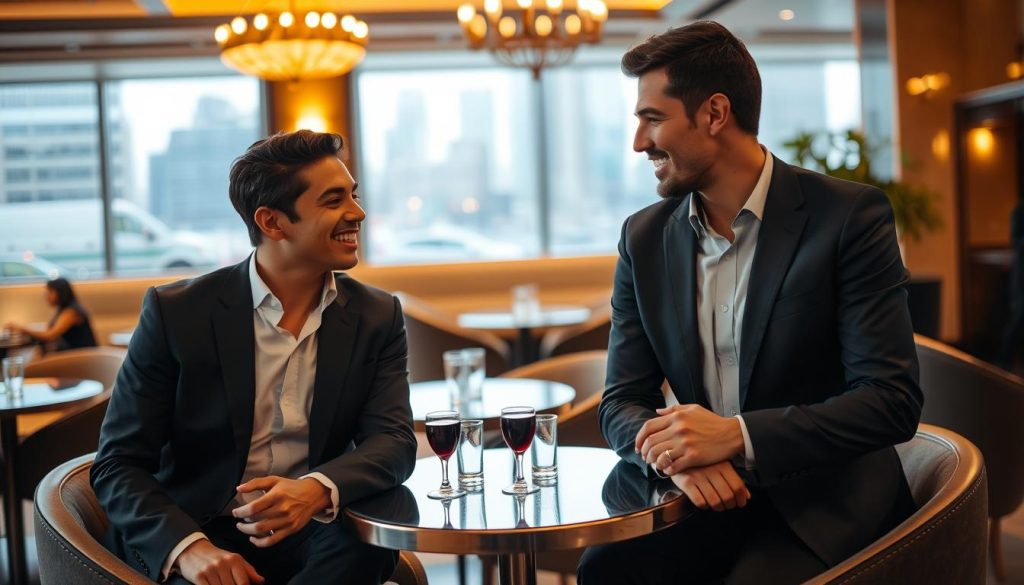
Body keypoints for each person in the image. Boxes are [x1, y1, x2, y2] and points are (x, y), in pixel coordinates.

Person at [579, 21, 922, 584]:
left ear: (715, 114)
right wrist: (677, 457)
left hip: (823, 506)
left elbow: (890, 400)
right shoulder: (642, 238)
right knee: (606, 571)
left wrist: (734, 435)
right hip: (697, 498)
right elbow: (620, 402)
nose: (639, 142)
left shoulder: (848, 217)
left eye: (653, 118)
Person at [91, 130, 417, 585]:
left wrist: (314, 491)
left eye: (354, 196)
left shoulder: (377, 315)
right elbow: (117, 464)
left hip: (315, 524)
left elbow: (394, 442)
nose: (358, 213)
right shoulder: (178, 313)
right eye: (333, 200)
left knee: (374, 539)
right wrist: (189, 550)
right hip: (200, 528)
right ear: (272, 222)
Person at [5, 277, 97, 352]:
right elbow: (48, 330)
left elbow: (50, 335)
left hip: (82, 356)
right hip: (74, 354)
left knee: (31, 365)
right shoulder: (63, 309)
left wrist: (22, 329)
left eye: (50, 292)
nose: (46, 295)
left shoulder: (72, 311)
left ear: (61, 293)